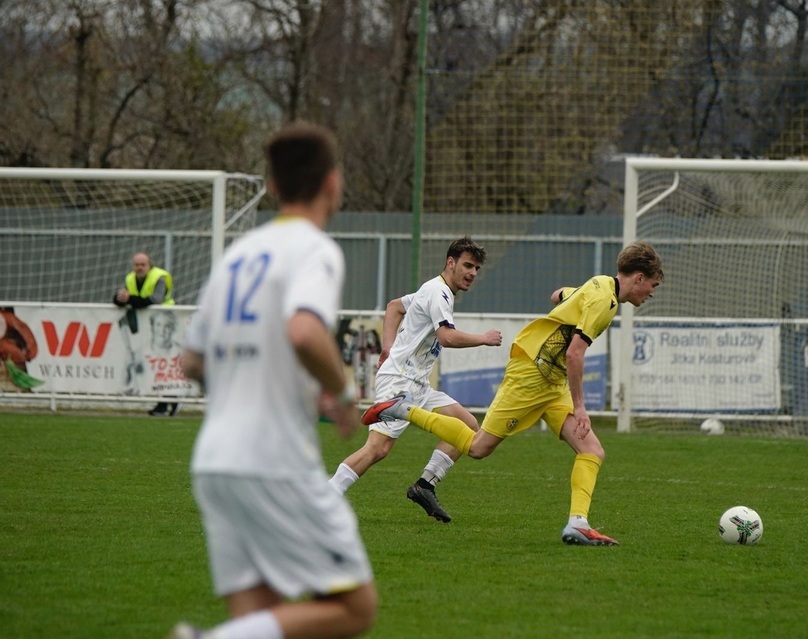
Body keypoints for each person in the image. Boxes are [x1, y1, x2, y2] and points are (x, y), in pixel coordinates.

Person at [169, 121, 377, 639]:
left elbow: (191, 362)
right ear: (332, 183)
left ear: (272, 185)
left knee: (258, 621)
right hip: (273, 458)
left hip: (215, 459)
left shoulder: (237, 255)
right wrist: (343, 392)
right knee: (354, 607)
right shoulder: (314, 249)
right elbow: (304, 331)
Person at [362, 241, 663, 546]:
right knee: (478, 447)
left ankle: (578, 524)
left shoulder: (600, 284)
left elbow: (558, 294)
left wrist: (570, 300)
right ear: (639, 277)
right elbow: (575, 354)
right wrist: (581, 407)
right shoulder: (604, 302)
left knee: (592, 450)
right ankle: (402, 409)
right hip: (532, 373)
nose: (652, 292)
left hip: (552, 380)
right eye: (652, 285)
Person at [328, 237, 503, 522]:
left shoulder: (433, 289)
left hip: (418, 383)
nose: (472, 273)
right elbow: (446, 337)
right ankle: (327, 495)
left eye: (476, 268)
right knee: (377, 449)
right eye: (467, 265)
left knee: (468, 425)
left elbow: (394, 306)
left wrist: (387, 347)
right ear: (451, 263)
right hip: (400, 381)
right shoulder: (439, 292)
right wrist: (483, 338)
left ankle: (425, 485)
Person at [112, 251, 179, 416]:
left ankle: (168, 401)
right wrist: (119, 298)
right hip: (146, 327)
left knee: (165, 362)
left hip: (165, 324)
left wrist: (129, 299)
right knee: (152, 363)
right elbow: (122, 297)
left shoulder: (159, 278)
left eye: (143, 265)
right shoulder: (130, 279)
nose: (139, 268)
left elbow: (155, 300)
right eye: (137, 265)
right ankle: (168, 400)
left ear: (150, 265)